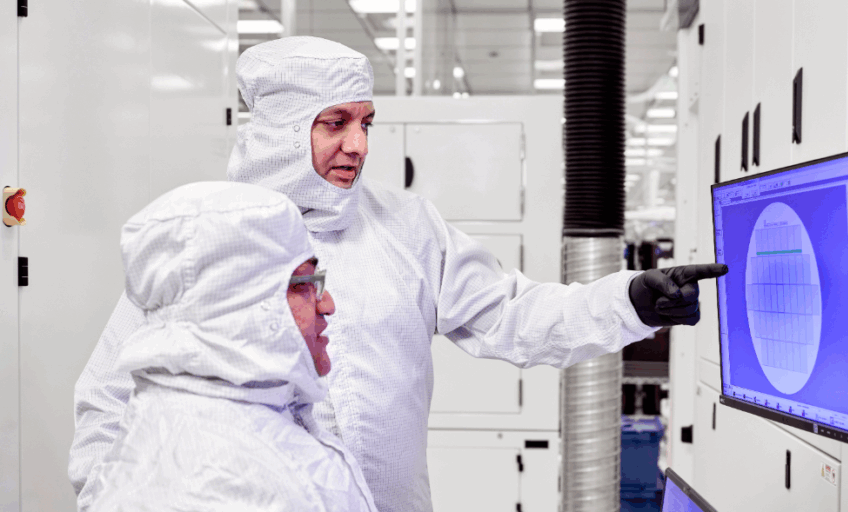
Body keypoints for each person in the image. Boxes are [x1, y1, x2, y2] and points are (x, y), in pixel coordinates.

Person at [69, 36, 728, 512]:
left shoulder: (405, 227)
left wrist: (630, 300)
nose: (357, 145)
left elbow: (514, 316)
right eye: (334, 123)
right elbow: (109, 396)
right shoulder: (202, 237)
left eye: (365, 122)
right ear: (276, 130)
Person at [78, 181, 377, 512]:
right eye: (302, 285)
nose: (328, 304)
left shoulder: (193, 428)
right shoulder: (231, 479)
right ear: (236, 307)